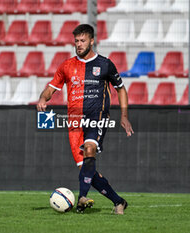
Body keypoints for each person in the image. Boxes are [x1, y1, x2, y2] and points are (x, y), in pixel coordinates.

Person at [37, 24, 134, 215]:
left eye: (82, 41)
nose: (79, 45)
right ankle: (119, 202)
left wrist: (124, 115)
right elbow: (50, 88)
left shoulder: (105, 64)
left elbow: (121, 89)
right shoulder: (66, 66)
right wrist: (43, 98)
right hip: (74, 122)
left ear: (91, 41)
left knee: (90, 150)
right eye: (76, 41)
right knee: (87, 170)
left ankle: (82, 198)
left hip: (96, 117)